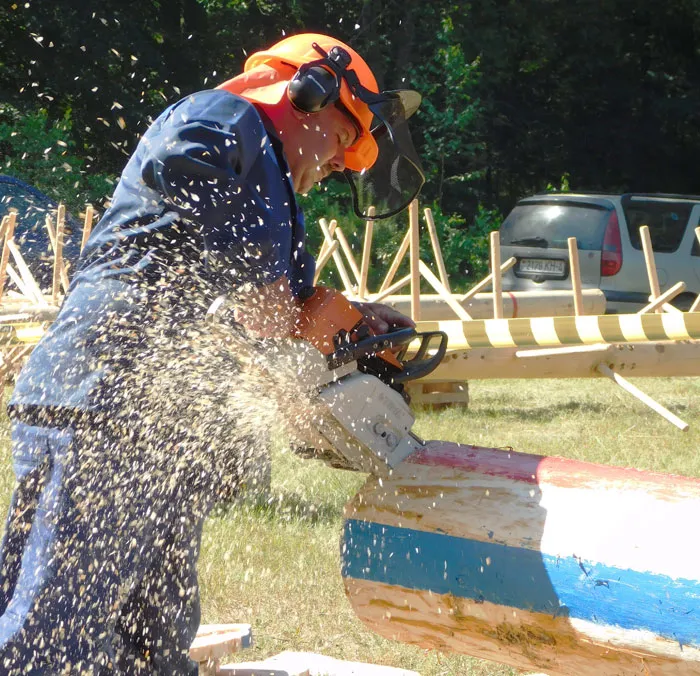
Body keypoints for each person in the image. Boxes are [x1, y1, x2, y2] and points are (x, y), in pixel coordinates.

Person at [0, 33, 424, 674]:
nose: (341, 163)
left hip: (158, 422)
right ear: (307, 92)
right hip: (101, 397)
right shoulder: (221, 122)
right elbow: (265, 306)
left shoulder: (277, 190)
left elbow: (274, 303)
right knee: (52, 633)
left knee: (154, 634)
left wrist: (351, 319)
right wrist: (321, 317)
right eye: (342, 140)